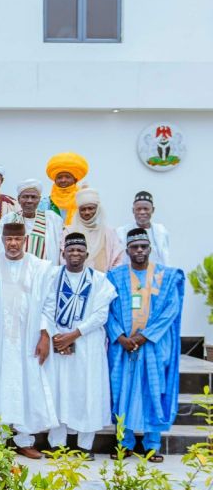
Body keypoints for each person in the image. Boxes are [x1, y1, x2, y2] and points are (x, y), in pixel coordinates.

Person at [0, 222, 58, 459]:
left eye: (17, 240)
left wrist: (44, 334)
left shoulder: (40, 268)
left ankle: (24, 439)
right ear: (2, 240)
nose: (12, 244)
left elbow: (48, 304)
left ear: (25, 240)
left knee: (26, 386)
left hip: (28, 339)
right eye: (8, 239)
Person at [106, 228, 184, 462]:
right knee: (123, 393)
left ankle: (152, 445)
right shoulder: (115, 276)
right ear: (127, 250)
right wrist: (120, 337)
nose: (139, 251)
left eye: (143, 246)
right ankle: (124, 443)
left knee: (153, 391)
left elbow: (172, 309)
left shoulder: (166, 276)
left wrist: (144, 336)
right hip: (123, 347)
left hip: (153, 346)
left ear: (150, 249)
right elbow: (107, 309)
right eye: (134, 247)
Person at [42, 233, 117, 460]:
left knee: (87, 392)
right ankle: (57, 444)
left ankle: (85, 446)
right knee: (59, 392)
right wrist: (57, 336)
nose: (75, 254)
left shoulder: (99, 280)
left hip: (87, 343)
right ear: (63, 253)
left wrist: (74, 335)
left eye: (79, 250)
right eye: (70, 250)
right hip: (58, 344)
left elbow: (101, 315)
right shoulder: (53, 276)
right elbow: (45, 307)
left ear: (86, 253)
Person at [0, 179, 63, 263]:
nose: (29, 201)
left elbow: (61, 248)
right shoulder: (8, 219)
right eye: (25, 197)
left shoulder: (52, 219)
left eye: (33, 197)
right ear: (18, 199)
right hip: (15, 271)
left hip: (44, 273)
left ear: (39, 199)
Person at [65, 187, 123, 272]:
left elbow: (118, 259)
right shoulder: (68, 232)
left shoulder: (109, 232)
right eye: (83, 209)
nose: (87, 212)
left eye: (91, 208)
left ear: (97, 209)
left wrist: (109, 279)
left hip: (104, 281)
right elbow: (63, 259)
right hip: (75, 281)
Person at [116, 191, 171, 267]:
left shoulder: (161, 231)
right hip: (131, 275)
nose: (142, 212)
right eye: (138, 209)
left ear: (153, 210)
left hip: (157, 275)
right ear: (133, 210)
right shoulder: (122, 232)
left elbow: (165, 257)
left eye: (146, 209)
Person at [45, 151, 89, 224]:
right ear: (55, 180)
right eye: (59, 177)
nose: (63, 180)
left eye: (67, 177)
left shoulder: (83, 199)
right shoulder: (47, 202)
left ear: (75, 180)